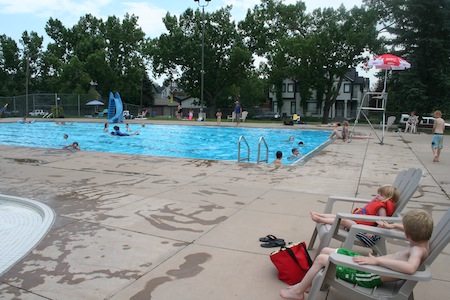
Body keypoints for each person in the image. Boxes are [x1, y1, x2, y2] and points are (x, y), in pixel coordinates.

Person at [280, 209, 434, 300]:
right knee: (326, 251)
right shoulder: (422, 239)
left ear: (408, 235)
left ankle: (298, 292)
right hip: (369, 267)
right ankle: (309, 284)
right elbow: (411, 230)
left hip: (369, 275)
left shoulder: (417, 251)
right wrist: (393, 226)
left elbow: (410, 268)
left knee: (322, 258)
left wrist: (377, 262)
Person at [310, 184, 399, 229]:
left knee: (343, 221)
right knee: (338, 215)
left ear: (388, 199)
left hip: (361, 227)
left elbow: (383, 222)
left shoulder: (382, 208)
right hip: (358, 220)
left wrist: (373, 232)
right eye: (378, 193)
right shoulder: (378, 203)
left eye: (381, 195)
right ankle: (320, 215)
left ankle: (321, 220)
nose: (377, 196)